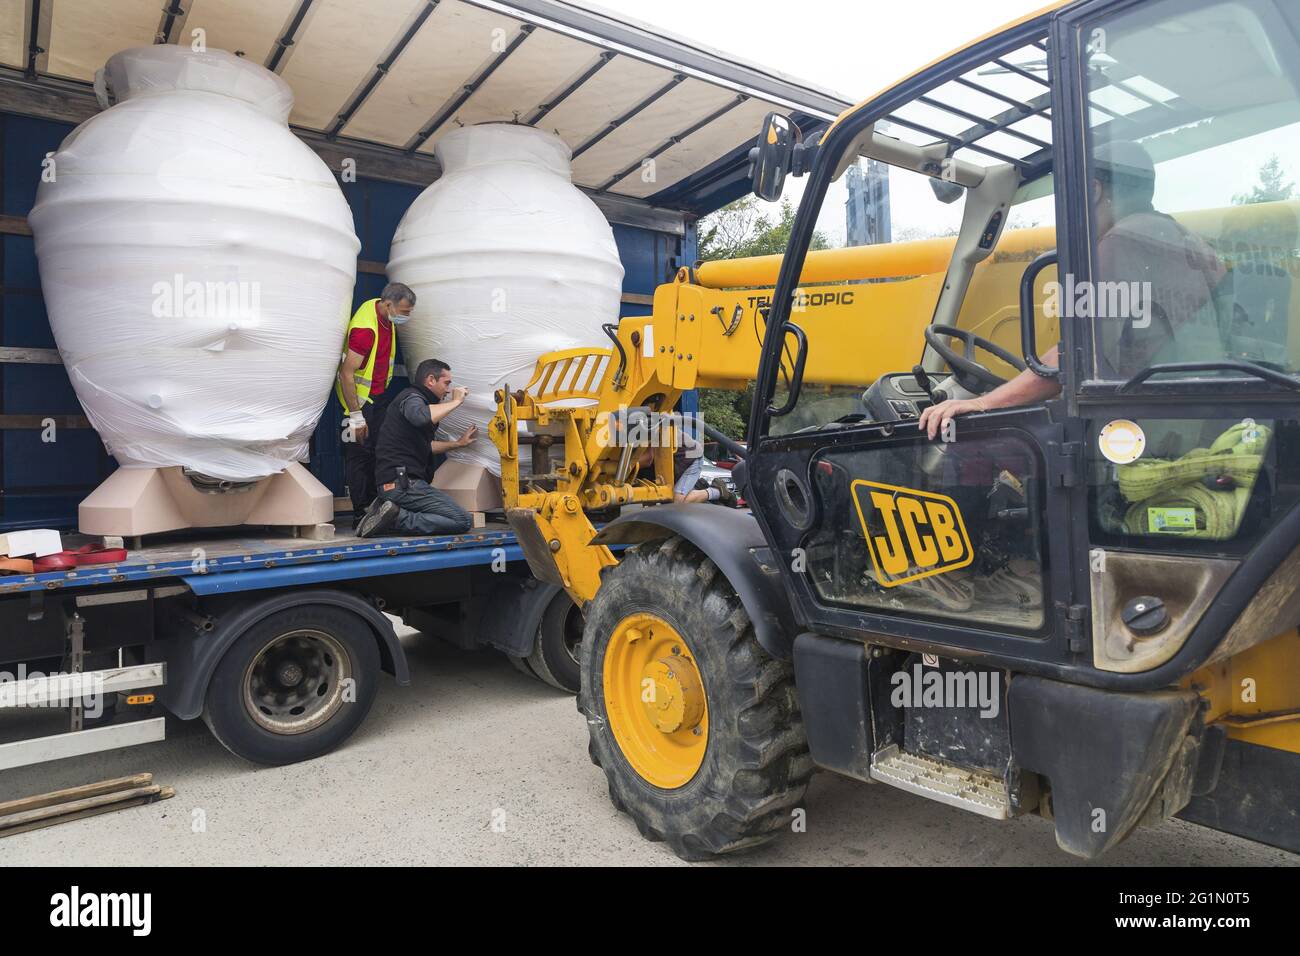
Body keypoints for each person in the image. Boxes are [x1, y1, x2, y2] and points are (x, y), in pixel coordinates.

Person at [918, 139, 1226, 440]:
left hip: (1144, 432)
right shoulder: (1189, 244)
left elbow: (1075, 356)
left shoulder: (1122, 243)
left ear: (1092, 190)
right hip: (1192, 417)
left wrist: (983, 402)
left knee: (973, 453)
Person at [355, 358, 475, 538]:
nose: (449, 389)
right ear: (431, 380)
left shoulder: (415, 401)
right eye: (446, 383)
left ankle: (387, 509)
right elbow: (421, 417)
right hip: (404, 484)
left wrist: (458, 444)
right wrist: (456, 402)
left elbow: (426, 446)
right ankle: (395, 519)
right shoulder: (411, 398)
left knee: (452, 516)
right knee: (462, 520)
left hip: (396, 484)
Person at [336, 283, 416, 514]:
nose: (407, 316)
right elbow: (346, 373)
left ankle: (378, 504)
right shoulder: (365, 331)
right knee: (358, 455)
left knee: (379, 452)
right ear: (389, 304)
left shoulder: (383, 313)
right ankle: (361, 513)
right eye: (404, 311)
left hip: (378, 399)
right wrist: (356, 417)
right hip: (356, 404)